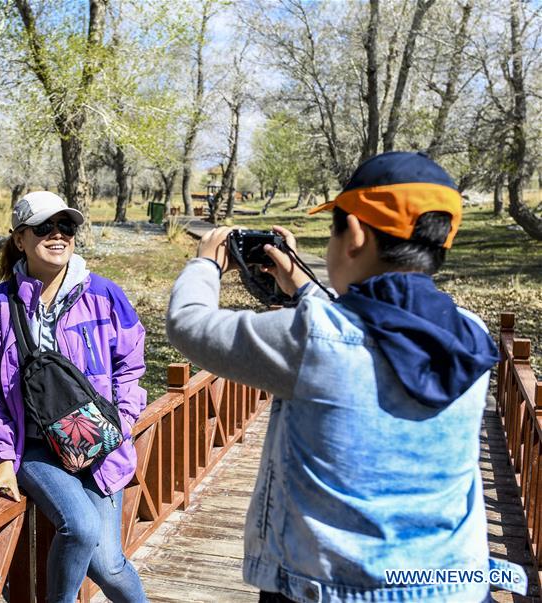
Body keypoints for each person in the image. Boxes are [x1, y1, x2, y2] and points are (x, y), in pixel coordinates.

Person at [166, 152, 526, 603]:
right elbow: (374, 326)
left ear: (354, 234)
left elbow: (189, 324)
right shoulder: (468, 333)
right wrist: (300, 282)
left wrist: (207, 262)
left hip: (327, 588)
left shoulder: (308, 341)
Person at [0, 191, 149, 603]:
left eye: (66, 226)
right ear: (20, 239)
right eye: (44, 227)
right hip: (37, 449)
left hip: (101, 445)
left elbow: (132, 365)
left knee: (109, 565)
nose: (57, 235)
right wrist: (2, 462)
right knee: (81, 528)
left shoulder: (105, 295)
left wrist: (121, 423)